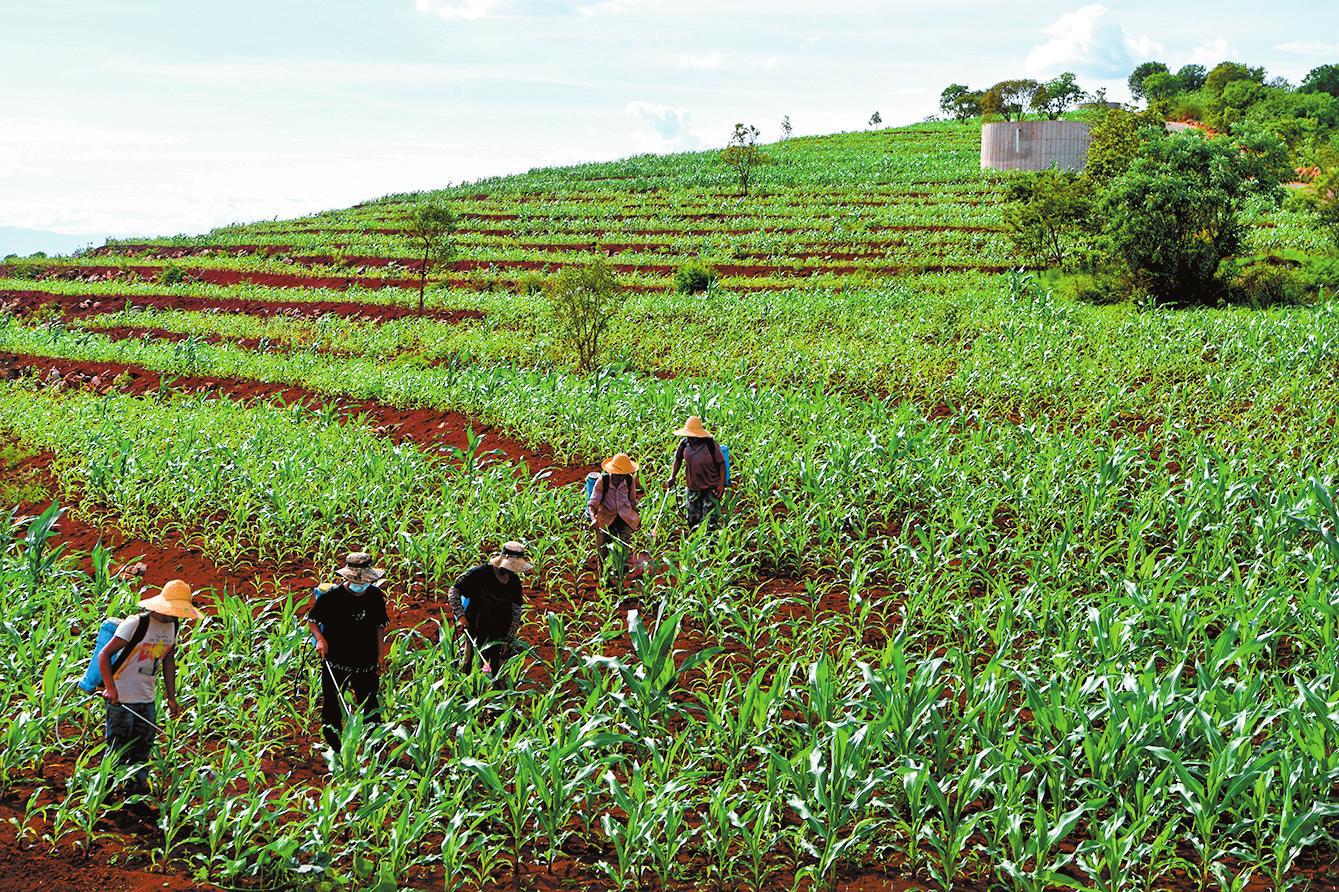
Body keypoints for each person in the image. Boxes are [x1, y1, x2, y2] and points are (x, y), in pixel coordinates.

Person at [97, 579, 202, 792]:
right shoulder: (136, 623)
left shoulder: (173, 626)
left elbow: (168, 661)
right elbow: (104, 654)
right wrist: (110, 688)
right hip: (122, 697)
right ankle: (103, 794)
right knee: (117, 748)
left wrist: (171, 697)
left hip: (147, 698)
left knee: (143, 748)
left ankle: (134, 793)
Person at [307, 552, 389, 752]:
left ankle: (375, 747)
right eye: (356, 580)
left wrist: (380, 654)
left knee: (370, 705)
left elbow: (380, 626)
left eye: (364, 581)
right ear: (347, 578)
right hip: (336, 660)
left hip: (365, 660)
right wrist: (320, 639)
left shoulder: (375, 596)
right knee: (332, 707)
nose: (360, 585)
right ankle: (334, 748)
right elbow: (313, 622)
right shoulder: (331, 598)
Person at [447, 541, 532, 679]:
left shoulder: (514, 582)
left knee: (496, 673)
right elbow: (454, 592)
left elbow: (516, 611)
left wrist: (508, 638)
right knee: (468, 666)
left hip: (499, 634)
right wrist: (461, 616)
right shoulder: (480, 574)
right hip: (475, 629)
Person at [589, 453, 641, 587]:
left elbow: (632, 501)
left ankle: (619, 577)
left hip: (624, 518)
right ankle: (605, 579)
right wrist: (593, 519)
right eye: (618, 475)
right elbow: (592, 504)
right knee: (603, 551)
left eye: (622, 475)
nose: (620, 478)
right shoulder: (603, 481)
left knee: (623, 549)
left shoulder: (629, 481)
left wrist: (636, 518)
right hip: (605, 519)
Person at [668, 416, 727, 529]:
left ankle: (710, 545)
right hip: (692, 488)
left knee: (709, 523)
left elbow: (721, 464)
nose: (691, 438)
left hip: (711, 488)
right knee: (692, 521)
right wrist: (672, 476)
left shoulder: (710, 444)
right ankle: (696, 545)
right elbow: (678, 459)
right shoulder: (684, 444)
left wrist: (721, 484)